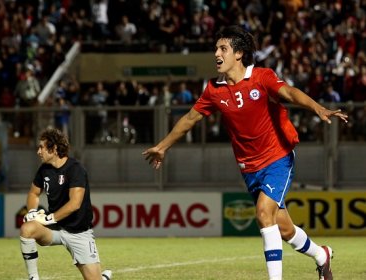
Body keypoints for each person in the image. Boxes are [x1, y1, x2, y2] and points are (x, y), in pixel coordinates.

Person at [142, 25, 348, 280]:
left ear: (238, 54)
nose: (216, 53)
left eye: (223, 49)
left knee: (263, 212)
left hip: (278, 158)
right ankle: (321, 256)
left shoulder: (262, 77)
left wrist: (317, 108)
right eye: (216, 48)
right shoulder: (214, 90)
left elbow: (290, 92)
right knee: (283, 228)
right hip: (249, 168)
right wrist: (162, 146)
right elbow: (189, 119)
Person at [19, 128, 112, 280]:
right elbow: (33, 193)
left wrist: (48, 218)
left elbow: (74, 204)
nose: (38, 151)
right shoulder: (44, 169)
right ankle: (33, 278)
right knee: (27, 229)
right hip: (55, 228)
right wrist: (31, 212)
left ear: (54, 149)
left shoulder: (75, 169)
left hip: (78, 232)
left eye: (42, 147)